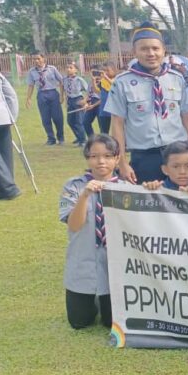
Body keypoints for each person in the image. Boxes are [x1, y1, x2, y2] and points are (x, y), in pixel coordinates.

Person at [105, 22, 188, 184]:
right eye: (144, 49)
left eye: (155, 48)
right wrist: (122, 162)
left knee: (182, 198)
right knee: (148, 199)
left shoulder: (177, 78)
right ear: (134, 52)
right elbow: (117, 124)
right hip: (144, 157)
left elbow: (186, 116)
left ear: (163, 50)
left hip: (178, 153)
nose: (151, 53)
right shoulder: (122, 82)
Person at [59, 134, 122, 328]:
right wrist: (85, 195)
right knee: (79, 322)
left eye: (108, 156)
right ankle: (91, 301)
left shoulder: (126, 188)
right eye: (94, 156)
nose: (101, 161)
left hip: (115, 268)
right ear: (87, 158)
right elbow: (74, 225)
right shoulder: (74, 186)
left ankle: (104, 301)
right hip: (82, 265)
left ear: (117, 159)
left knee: (110, 322)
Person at [25, 51, 65, 145]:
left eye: (38, 58)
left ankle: (61, 138)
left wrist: (61, 95)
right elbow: (31, 85)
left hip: (53, 93)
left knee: (57, 117)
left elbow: (61, 81)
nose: (36, 61)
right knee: (45, 118)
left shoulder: (52, 69)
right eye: (34, 59)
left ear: (44, 59)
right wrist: (28, 98)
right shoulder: (32, 71)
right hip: (41, 95)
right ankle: (51, 139)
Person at [0, 71, 21, 200]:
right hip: (4, 117)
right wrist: (12, 116)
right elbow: (11, 95)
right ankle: (3, 189)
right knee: (5, 153)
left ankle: (9, 188)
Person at [62, 62, 88, 146]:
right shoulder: (65, 79)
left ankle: (83, 141)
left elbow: (89, 90)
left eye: (71, 68)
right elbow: (66, 91)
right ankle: (79, 137)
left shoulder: (79, 80)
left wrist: (85, 101)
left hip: (78, 100)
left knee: (79, 121)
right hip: (70, 101)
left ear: (76, 70)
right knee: (70, 121)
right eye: (67, 67)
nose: (68, 69)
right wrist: (66, 101)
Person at [95, 61, 117, 135]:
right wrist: (93, 81)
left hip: (114, 111)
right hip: (103, 110)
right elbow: (97, 91)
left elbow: (115, 85)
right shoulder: (102, 81)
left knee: (116, 131)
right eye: (104, 71)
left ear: (113, 70)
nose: (105, 73)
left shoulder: (118, 79)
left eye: (107, 70)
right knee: (104, 132)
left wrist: (106, 78)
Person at [82, 66, 102, 137]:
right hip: (91, 103)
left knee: (102, 125)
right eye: (92, 72)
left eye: (94, 72)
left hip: (100, 104)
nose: (92, 74)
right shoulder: (91, 82)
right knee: (85, 122)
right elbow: (88, 94)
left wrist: (93, 105)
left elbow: (104, 98)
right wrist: (86, 103)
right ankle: (92, 139)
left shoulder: (103, 83)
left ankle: (104, 141)